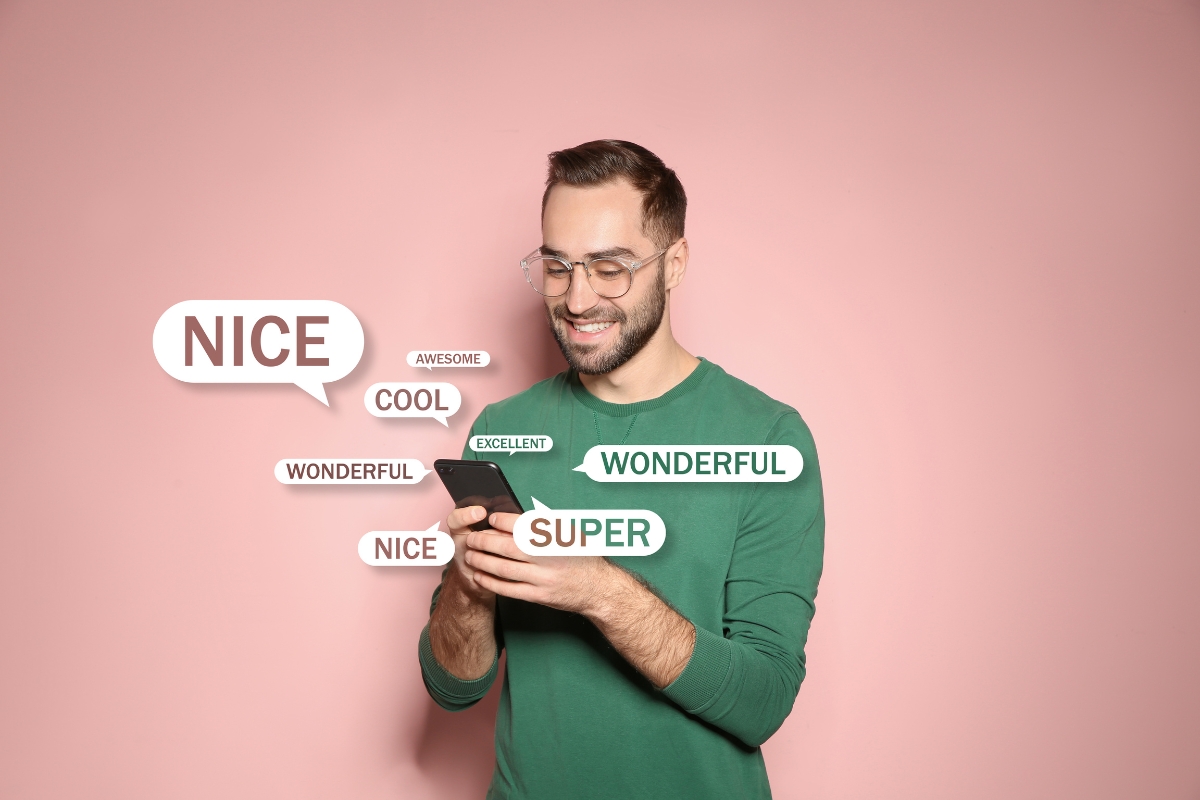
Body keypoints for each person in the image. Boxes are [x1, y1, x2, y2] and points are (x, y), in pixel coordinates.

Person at [419, 140, 824, 799]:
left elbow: (763, 702)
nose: (577, 299)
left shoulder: (769, 439)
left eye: (609, 268)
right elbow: (453, 689)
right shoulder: (502, 432)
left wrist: (598, 589)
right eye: (557, 267)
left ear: (674, 264)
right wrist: (469, 586)